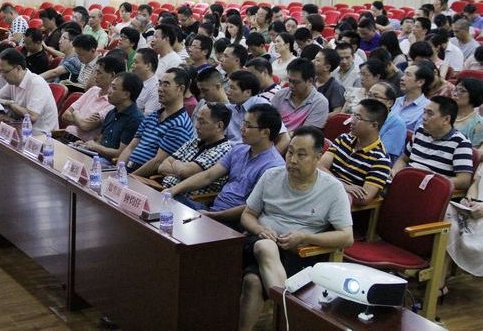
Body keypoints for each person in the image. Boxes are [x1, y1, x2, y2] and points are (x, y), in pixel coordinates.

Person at [238, 126, 353, 331]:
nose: (292, 160)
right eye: (290, 152)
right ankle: (289, 313)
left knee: (253, 282)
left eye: (301, 155)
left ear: (318, 157)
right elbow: (248, 215)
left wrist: (304, 236)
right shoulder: (271, 176)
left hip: (299, 253)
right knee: (266, 246)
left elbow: (346, 237)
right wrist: (259, 229)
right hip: (257, 243)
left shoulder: (332, 189)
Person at [167, 104, 286, 228]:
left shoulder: (274, 167)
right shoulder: (239, 150)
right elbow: (207, 176)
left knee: (179, 224)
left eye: (248, 126)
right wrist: (173, 190)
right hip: (212, 211)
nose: (242, 129)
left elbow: (252, 209)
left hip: (235, 222)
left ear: (265, 132)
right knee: (171, 202)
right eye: (243, 123)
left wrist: (214, 216)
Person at [118, 67, 194, 176]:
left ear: (180, 89)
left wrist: (130, 177)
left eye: (166, 84)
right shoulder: (153, 116)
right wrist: (119, 171)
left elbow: (157, 162)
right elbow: (131, 147)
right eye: (159, 83)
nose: (160, 89)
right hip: (127, 171)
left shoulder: (180, 124)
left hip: (145, 179)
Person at [319, 99, 392, 205]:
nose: (351, 120)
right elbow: (319, 167)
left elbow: (364, 198)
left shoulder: (381, 159)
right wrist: (344, 186)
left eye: (358, 117)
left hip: (343, 206)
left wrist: (328, 181)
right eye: (353, 115)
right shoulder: (343, 139)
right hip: (323, 191)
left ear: (374, 125)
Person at [393, 96, 473, 190]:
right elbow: (403, 159)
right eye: (424, 112)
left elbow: (464, 180)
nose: (424, 117)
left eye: (429, 114)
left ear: (446, 119)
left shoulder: (460, 143)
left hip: (430, 191)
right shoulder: (420, 131)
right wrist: (396, 171)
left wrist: (433, 183)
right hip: (406, 184)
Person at [158, 103, 233, 194]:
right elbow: (162, 167)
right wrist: (181, 171)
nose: (197, 126)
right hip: (163, 188)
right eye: (197, 120)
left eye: (202, 122)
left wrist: (176, 162)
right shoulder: (195, 141)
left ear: (219, 126)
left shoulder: (223, 150)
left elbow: (184, 171)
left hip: (186, 200)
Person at [0, 48, 59, 134]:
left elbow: (32, 117)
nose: (2, 75)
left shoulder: (36, 83)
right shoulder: (13, 81)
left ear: (18, 68)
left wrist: (10, 104)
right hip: (21, 129)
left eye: (5, 71)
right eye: (0, 71)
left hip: (42, 135)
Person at [77, 72, 144, 161]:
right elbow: (100, 142)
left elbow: (120, 153)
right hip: (97, 157)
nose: (109, 91)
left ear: (126, 94)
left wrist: (95, 147)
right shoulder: (111, 112)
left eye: (114, 88)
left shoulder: (135, 119)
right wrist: (85, 146)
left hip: (111, 164)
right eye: (110, 86)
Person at [62, 55, 125, 141]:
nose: (95, 76)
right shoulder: (93, 90)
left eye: (99, 73)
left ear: (112, 75)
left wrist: (76, 113)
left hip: (80, 144)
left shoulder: (113, 102)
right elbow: (65, 115)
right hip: (65, 134)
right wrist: (81, 121)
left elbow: (86, 126)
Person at [225, 70, 290, 152]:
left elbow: (285, 139)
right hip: (229, 153)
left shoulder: (262, 107)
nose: (227, 92)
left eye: (232, 88)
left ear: (247, 92)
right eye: (228, 87)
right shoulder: (228, 108)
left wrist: (267, 159)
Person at [445, 165, 483, 278]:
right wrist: (469, 199)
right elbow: (475, 184)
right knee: (445, 216)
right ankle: (439, 283)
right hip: (474, 209)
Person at [271, 58, 329, 131]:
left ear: (310, 81)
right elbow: (269, 121)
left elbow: (305, 134)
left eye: (296, 82)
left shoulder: (319, 102)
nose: (291, 85)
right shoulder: (280, 95)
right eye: (289, 81)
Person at [366, 82, 407, 162]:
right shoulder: (363, 116)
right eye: (369, 95)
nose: (370, 100)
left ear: (389, 103)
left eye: (376, 96)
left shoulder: (397, 124)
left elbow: (384, 156)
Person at [390, 63, 434, 131]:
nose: (402, 78)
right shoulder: (395, 101)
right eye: (404, 74)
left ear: (420, 82)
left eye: (408, 75)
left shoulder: (427, 108)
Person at [452, 78, 483, 150]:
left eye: (462, 91)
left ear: (474, 94)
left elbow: (474, 153)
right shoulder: (443, 113)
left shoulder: (479, 124)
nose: (455, 94)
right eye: (455, 89)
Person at [313, 48, 345, 113]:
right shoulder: (309, 81)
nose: (313, 61)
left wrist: (317, 119)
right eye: (315, 58)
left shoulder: (336, 87)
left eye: (317, 60)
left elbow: (336, 112)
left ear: (327, 67)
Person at [132, 48, 161, 115]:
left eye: (136, 62)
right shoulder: (135, 81)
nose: (132, 65)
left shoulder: (155, 89)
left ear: (148, 66)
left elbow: (147, 118)